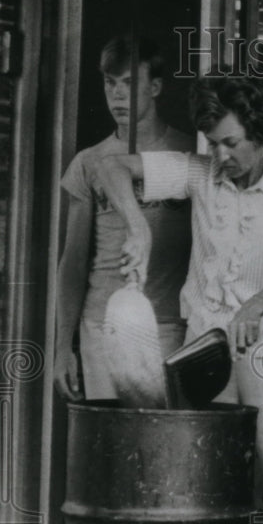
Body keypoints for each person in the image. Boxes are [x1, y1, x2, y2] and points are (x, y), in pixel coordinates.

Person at [95, 75, 263, 524]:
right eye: (213, 143)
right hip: (203, 350)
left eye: (231, 142)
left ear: (258, 133)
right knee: (204, 481)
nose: (221, 155)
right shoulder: (199, 172)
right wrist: (138, 227)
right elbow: (110, 167)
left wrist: (255, 305)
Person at [53, 34, 194, 403]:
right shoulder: (88, 162)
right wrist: (62, 346)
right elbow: (74, 261)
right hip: (102, 325)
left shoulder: (190, 152)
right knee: (111, 432)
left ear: (156, 87)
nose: (117, 95)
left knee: (165, 431)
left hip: (170, 324)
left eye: (130, 83)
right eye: (110, 83)